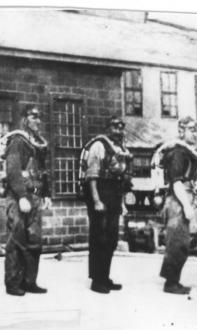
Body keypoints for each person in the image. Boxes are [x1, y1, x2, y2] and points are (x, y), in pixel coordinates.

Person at [4, 105, 51, 296]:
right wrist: (22, 196)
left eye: (39, 118)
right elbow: (13, 171)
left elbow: (44, 172)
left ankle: (30, 281)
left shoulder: (38, 144)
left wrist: (46, 194)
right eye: (33, 117)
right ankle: (13, 283)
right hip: (19, 197)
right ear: (24, 119)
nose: (37, 121)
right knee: (17, 241)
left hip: (36, 196)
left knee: (34, 240)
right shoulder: (18, 141)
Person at [83, 116, 132, 294]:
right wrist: (96, 200)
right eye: (114, 127)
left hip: (114, 195)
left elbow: (122, 177)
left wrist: (122, 202)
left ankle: (105, 277)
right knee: (99, 238)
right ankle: (97, 280)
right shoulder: (99, 145)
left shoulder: (121, 149)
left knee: (111, 239)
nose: (118, 131)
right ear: (107, 128)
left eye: (121, 127)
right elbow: (92, 175)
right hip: (100, 194)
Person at [157, 116, 197, 294]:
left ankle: (173, 280)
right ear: (181, 131)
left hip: (181, 199)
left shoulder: (185, 152)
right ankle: (170, 284)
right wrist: (187, 206)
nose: (195, 134)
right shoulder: (178, 153)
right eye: (191, 129)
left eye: (196, 130)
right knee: (177, 242)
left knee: (181, 242)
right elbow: (176, 183)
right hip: (177, 201)